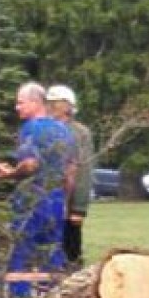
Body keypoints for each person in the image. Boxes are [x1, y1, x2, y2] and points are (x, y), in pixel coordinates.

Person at [0, 82, 75, 298]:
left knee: (21, 249)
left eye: (20, 103)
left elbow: (30, 164)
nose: (16, 108)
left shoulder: (30, 128)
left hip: (32, 199)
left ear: (35, 103)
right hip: (56, 199)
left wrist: (10, 173)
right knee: (52, 251)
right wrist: (65, 201)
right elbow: (70, 171)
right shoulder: (63, 130)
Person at [46, 84, 94, 269]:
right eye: (49, 103)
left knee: (70, 250)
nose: (50, 107)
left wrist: (78, 208)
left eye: (55, 103)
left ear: (67, 106)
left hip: (69, 203)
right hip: (47, 202)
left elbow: (84, 171)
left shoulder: (79, 133)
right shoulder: (44, 129)